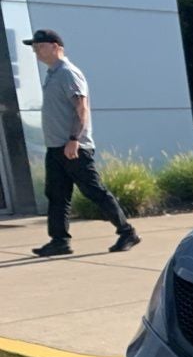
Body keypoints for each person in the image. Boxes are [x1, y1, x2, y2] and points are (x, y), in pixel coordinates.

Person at [23, 29, 140, 256]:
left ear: (56, 46)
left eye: (40, 45)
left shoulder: (68, 73)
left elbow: (81, 108)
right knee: (57, 195)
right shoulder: (53, 74)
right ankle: (59, 241)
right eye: (34, 47)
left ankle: (127, 232)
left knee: (94, 191)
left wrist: (74, 139)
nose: (36, 50)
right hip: (56, 148)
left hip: (73, 147)